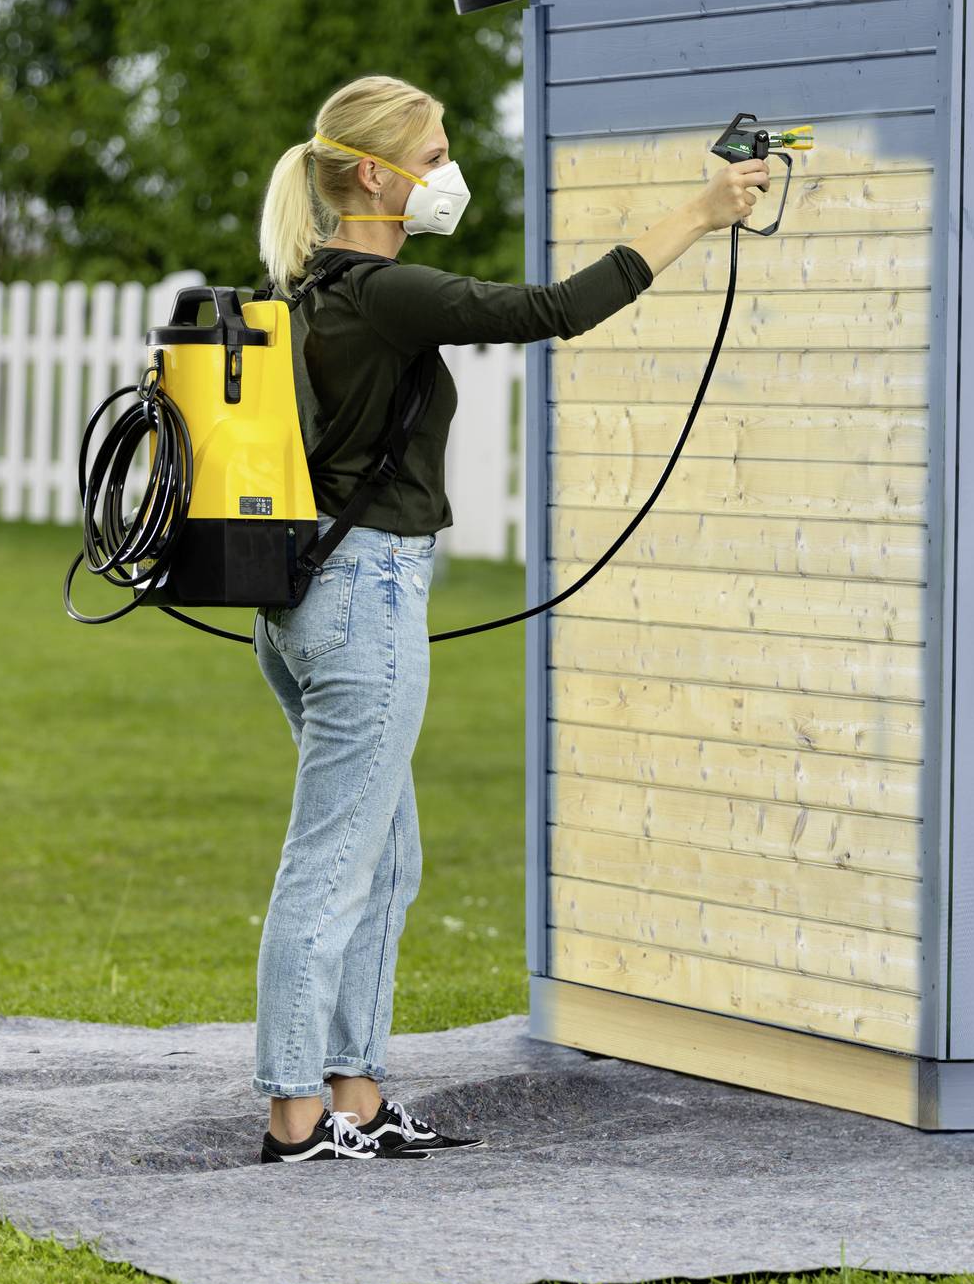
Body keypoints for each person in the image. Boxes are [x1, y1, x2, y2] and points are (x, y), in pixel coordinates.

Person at [246, 72, 768, 1164]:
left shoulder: (313, 291)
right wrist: (705, 210)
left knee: (385, 863)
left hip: (305, 604)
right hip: (365, 596)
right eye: (434, 154)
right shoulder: (382, 293)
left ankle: (354, 1097)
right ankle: (296, 1117)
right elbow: (552, 311)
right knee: (334, 862)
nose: (448, 171)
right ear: (376, 175)